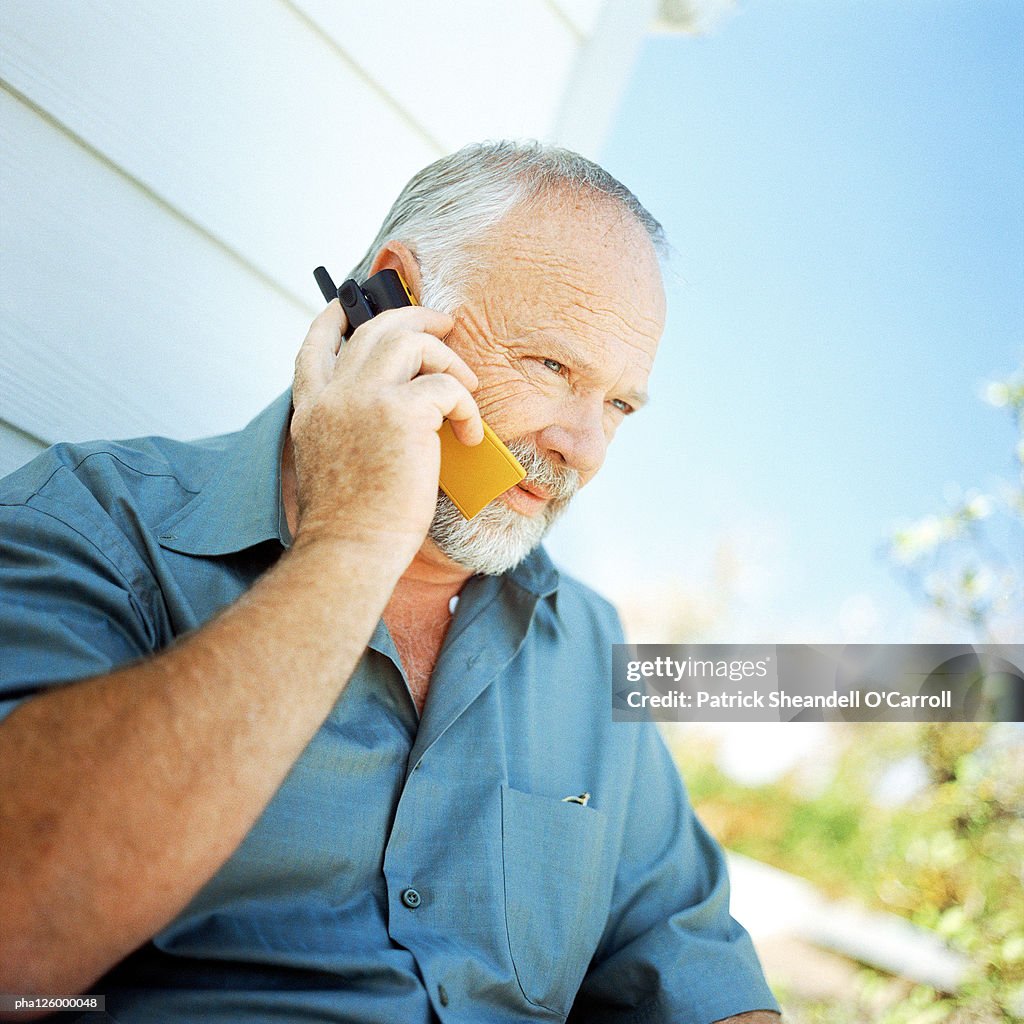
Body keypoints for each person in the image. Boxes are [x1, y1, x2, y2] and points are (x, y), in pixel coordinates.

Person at [0, 142, 780, 1023]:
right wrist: (354, 538)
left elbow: (689, 967)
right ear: (390, 302)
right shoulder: (95, 525)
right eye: (553, 368)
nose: (584, 450)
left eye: (619, 405)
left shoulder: (587, 644)